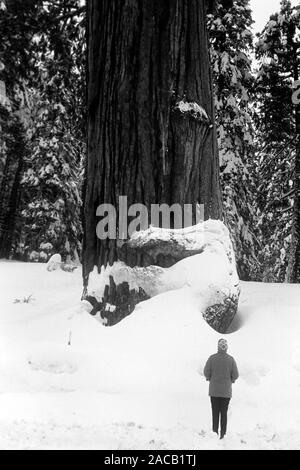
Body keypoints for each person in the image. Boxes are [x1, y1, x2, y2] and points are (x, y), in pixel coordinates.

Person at [203, 338, 239, 439]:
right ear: (226, 347)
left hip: (214, 391)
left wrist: (209, 378)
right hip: (226, 392)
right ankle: (223, 435)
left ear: (218, 347)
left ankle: (214, 433)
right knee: (224, 413)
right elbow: (236, 374)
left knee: (215, 412)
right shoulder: (231, 360)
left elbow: (206, 372)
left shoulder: (212, 358)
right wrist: (231, 380)